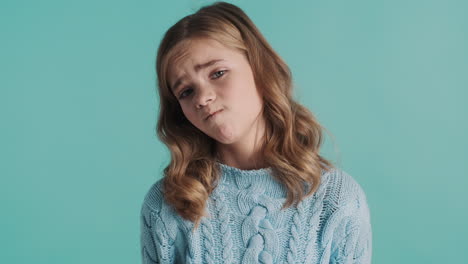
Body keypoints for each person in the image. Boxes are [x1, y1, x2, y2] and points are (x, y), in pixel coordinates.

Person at [140, 1, 372, 263]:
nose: (202, 98)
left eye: (217, 73)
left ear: (260, 68)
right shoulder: (167, 203)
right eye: (186, 91)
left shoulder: (337, 198)